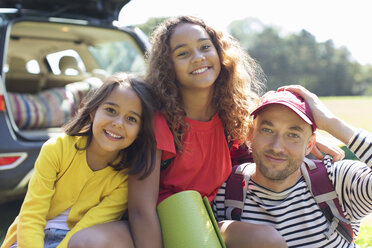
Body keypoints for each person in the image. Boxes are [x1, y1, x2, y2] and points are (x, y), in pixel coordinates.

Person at [67, 16, 343, 248]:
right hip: (149, 226)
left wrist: (312, 141)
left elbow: (272, 136)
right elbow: (141, 210)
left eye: (204, 47)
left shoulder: (232, 116)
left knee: (267, 239)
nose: (197, 58)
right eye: (182, 53)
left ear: (220, 54)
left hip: (201, 222)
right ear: (168, 66)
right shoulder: (159, 122)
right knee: (87, 242)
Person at [1, 72, 157, 248]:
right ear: (92, 112)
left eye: (131, 119)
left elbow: (88, 225)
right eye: (111, 110)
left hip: (73, 242)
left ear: (139, 132)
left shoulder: (125, 177)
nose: (118, 123)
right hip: (30, 239)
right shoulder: (56, 149)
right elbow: (32, 215)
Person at [213, 85, 372, 247]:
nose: (277, 147)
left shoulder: (335, 182)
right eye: (267, 130)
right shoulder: (227, 190)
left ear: (309, 144)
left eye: (293, 135)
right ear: (250, 135)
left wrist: (331, 123)